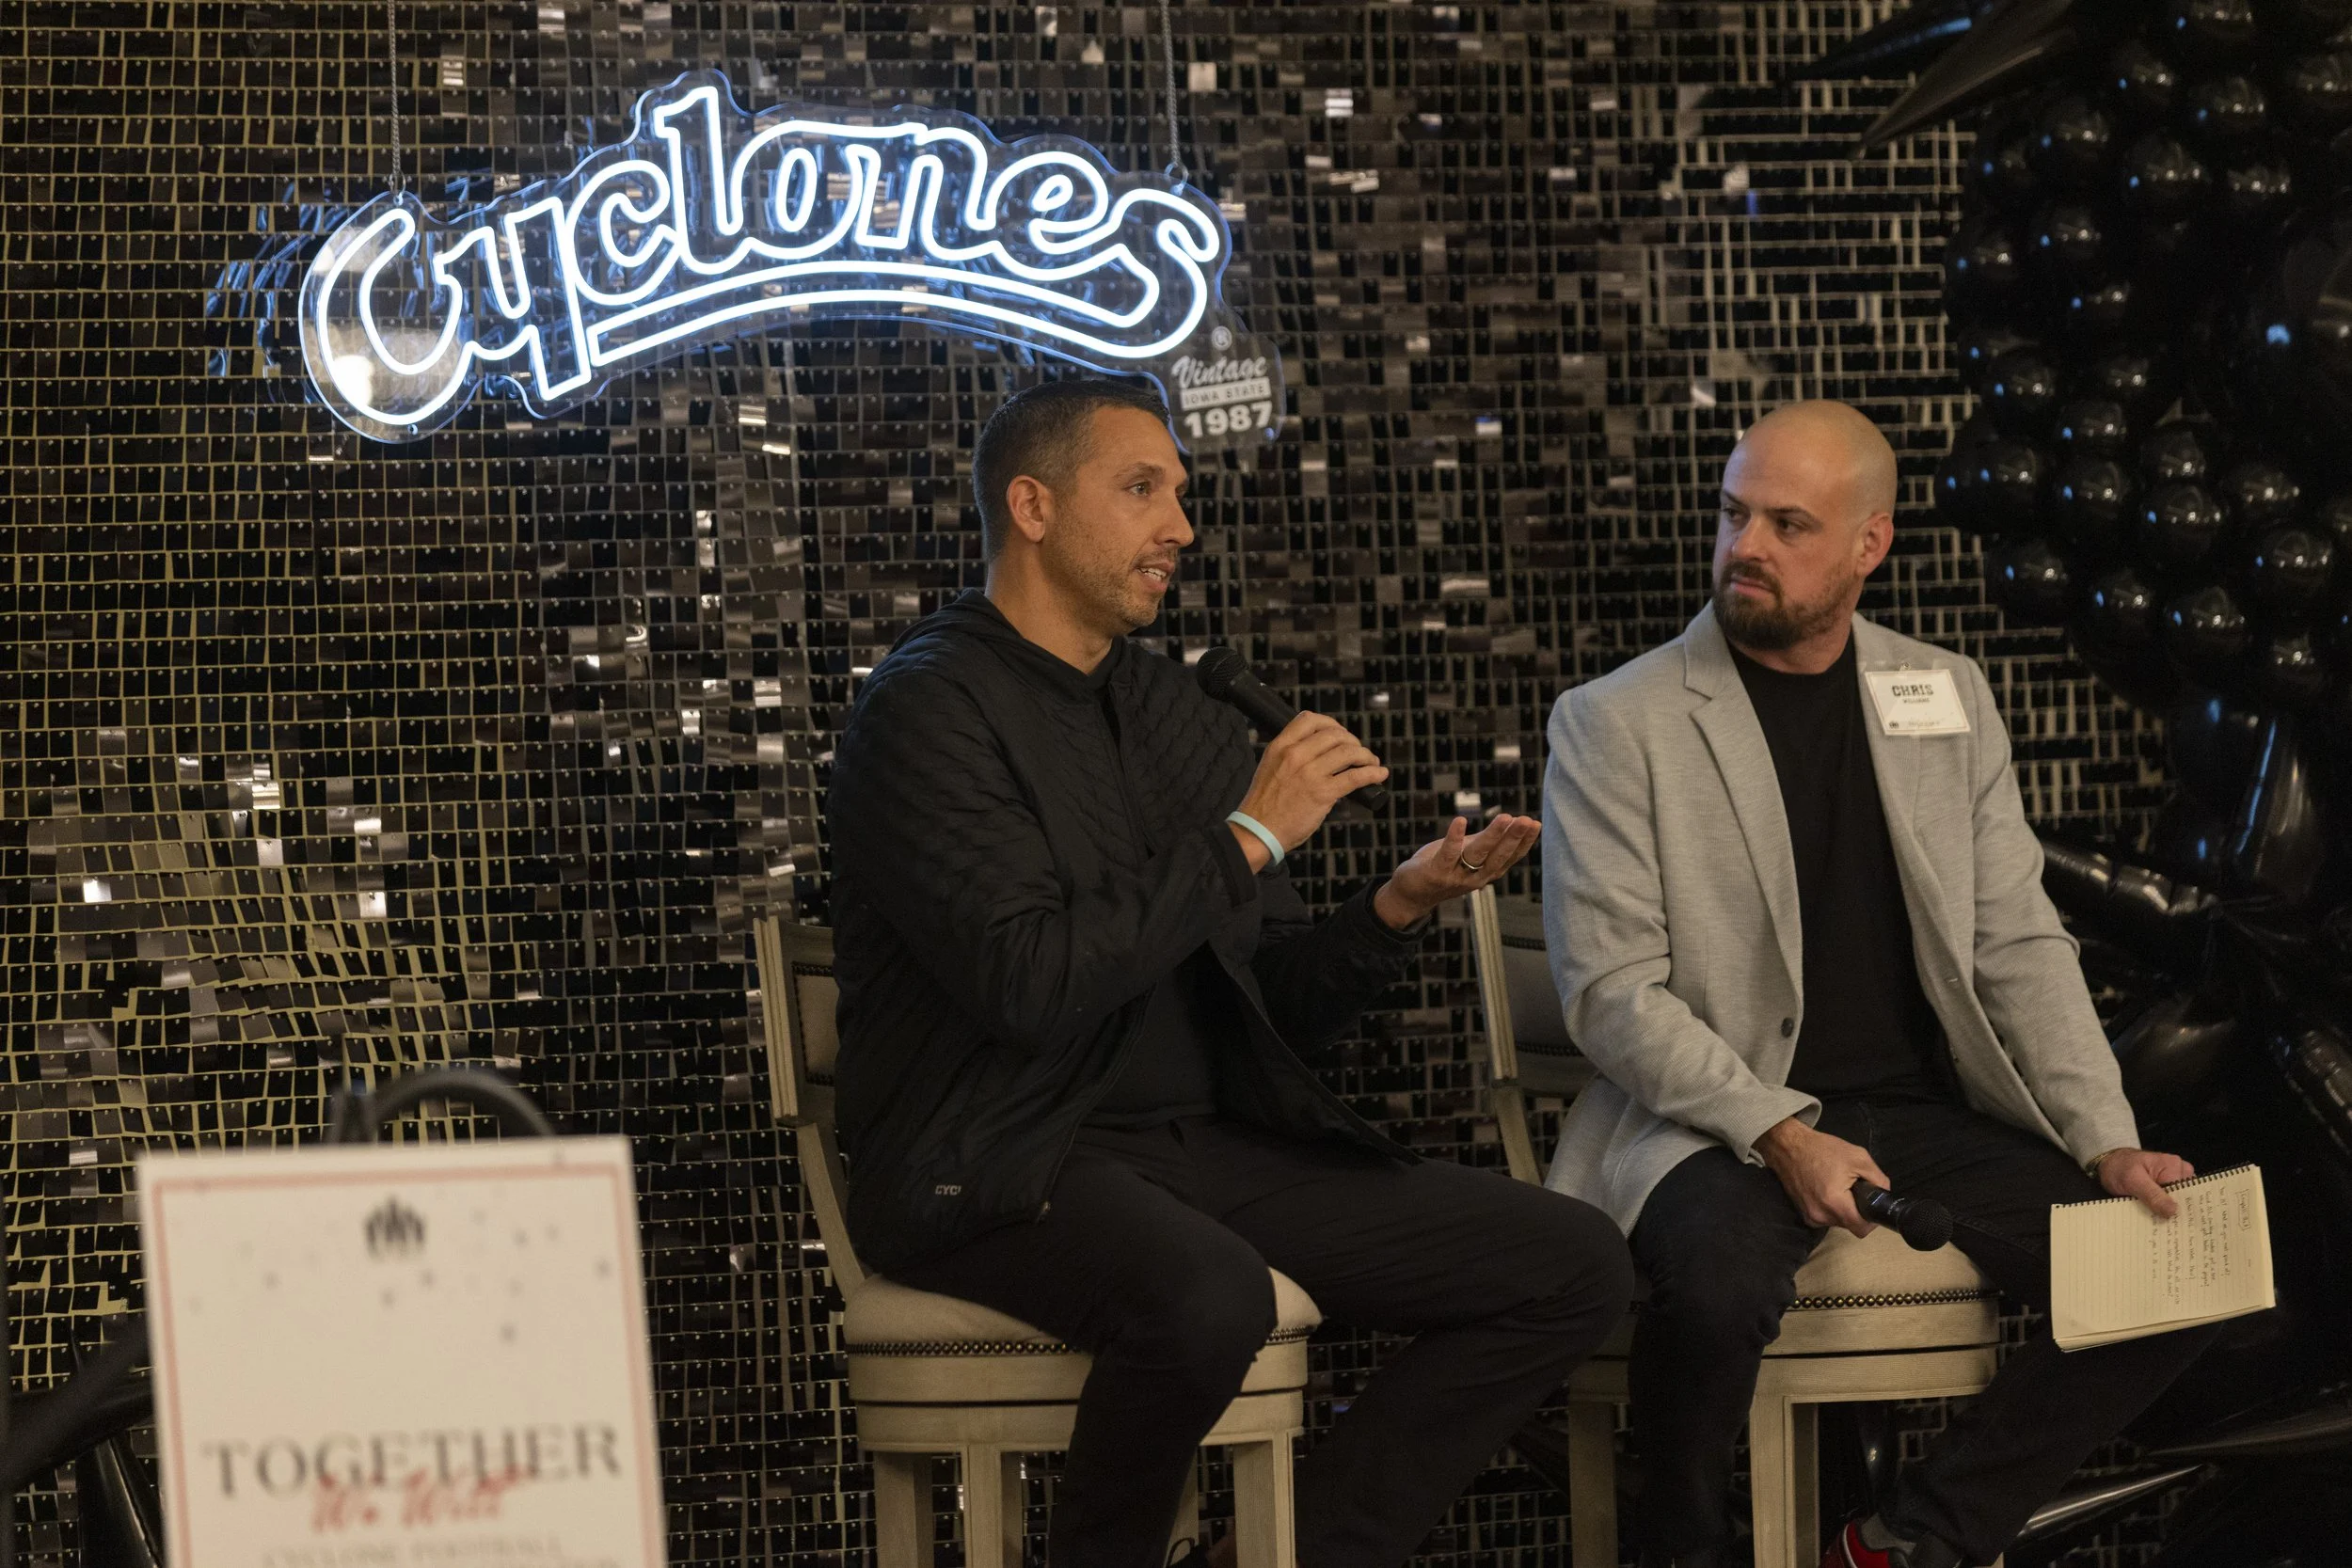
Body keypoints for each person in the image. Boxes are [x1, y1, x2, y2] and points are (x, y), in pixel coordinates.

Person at [828, 377, 1634, 1568]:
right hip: (997, 1158)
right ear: (1034, 505)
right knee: (1210, 1296)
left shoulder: (1170, 707)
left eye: (1182, 495)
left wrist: (1395, 904)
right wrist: (1246, 835)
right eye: (1142, 489)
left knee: (1571, 1262)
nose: (1181, 528)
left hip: (1200, 1148)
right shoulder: (926, 709)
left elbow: (1274, 1007)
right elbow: (1028, 980)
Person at [1539, 401, 2217, 1568]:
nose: (1745, 544)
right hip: (1720, 1118)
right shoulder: (1616, 721)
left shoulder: (1942, 695)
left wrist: (2104, 1137)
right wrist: (1780, 1129)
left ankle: (1909, 1540)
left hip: (1921, 1115)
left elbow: (2015, 943)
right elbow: (1610, 991)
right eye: (1733, 512)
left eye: (1788, 523)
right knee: (1709, 1297)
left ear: (1869, 544)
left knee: (2179, 1268)